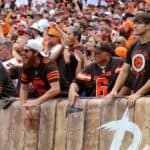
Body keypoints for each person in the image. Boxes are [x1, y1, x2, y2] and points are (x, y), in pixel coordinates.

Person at [107, 12, 150, 107]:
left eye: (138, 23)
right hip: (137, 96)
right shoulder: (133, 45)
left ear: (148, 26)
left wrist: (139, 93)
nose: (134, 26)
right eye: (134, 23)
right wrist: (115, 89)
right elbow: (124, 70)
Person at [20, 39, 61, 127]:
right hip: (47, 102)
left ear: (36, 53)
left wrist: (36, 102)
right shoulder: (26, 66)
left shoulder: (48, 64)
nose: (23, 53)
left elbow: (56, 89)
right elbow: (23, 88)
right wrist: (24, 109)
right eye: (23, 50)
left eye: (26, 51)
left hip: (61, 100)